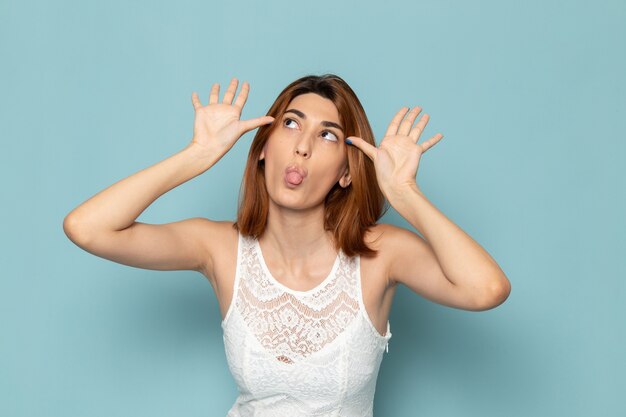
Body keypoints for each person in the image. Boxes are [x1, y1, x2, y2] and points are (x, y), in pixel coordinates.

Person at [63, 74, 511, 416]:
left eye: (327, 135)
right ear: (262, 148)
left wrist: (405, 193)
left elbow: (486, 288)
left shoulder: (381, 253)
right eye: (291, 124)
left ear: (347, 172)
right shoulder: (219, 247)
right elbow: (87, 228)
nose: (301, 148)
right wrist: (195, 156)